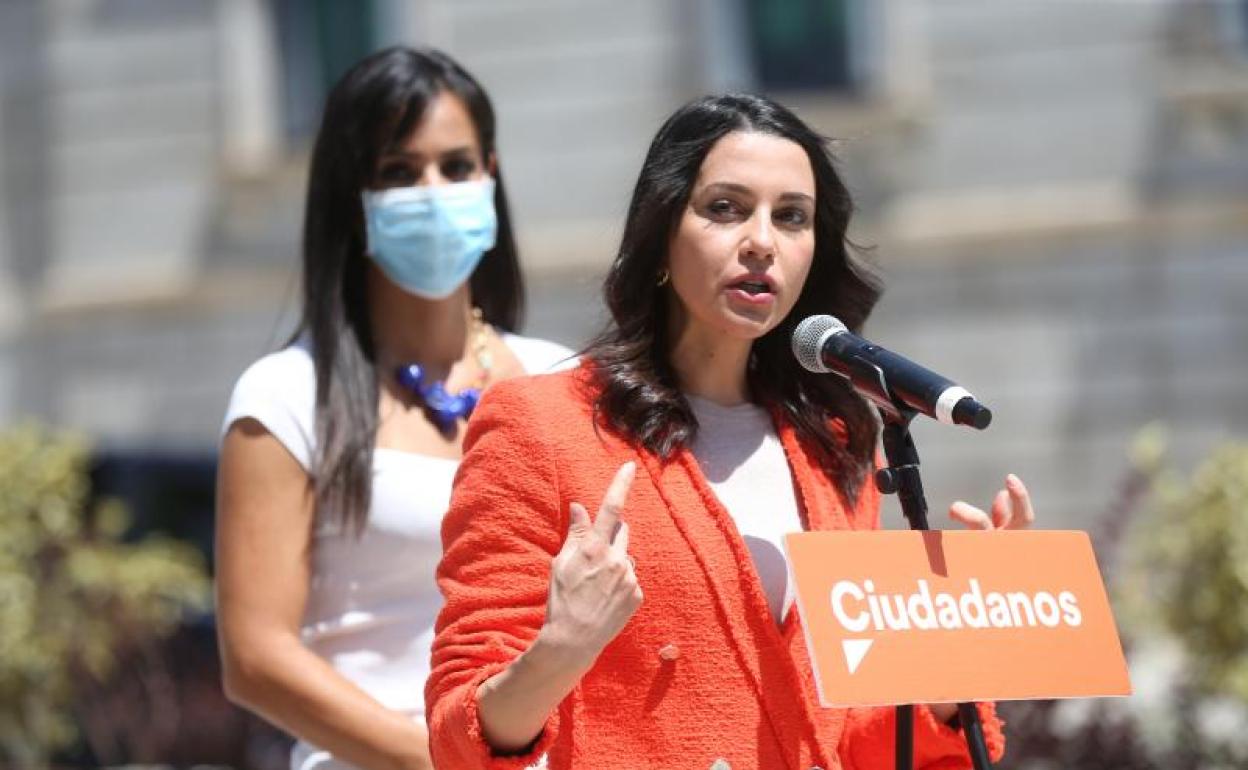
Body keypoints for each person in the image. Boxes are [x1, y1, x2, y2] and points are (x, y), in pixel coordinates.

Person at [426, 93, 1036, 770]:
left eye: (792, 217)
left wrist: (951, 660)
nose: (761, 242)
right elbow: (460, 737)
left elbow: (842, 738)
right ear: (661, 232)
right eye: (724, 208)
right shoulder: (541, 426)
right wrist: (562, 649)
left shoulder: (833, 442)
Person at [214, 47, 573, 770]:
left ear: (490, 175)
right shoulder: (284, 398)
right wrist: (447, 757)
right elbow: (255, 657)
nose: (434, 191)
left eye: (456, 166)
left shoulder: (560, 375)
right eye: (399, 173)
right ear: (353, 199)